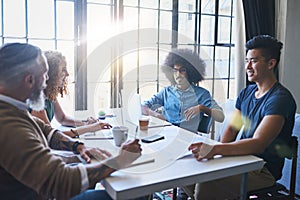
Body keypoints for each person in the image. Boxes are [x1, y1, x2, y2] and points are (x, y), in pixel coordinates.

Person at [0, 43, 142, 200]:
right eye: (45, 74)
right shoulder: (8, 125)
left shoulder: (12, 107)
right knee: (134, 193)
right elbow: (60, 182)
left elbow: (47, 131)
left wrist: (78, 146)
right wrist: (119, 161)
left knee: (85, 168)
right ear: (29, 80)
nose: (47, 81)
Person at [184, 35, 297, 199]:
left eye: (254, 61)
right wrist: (216, 156)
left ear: (271, 63)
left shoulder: (280, 99)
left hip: (262, 169)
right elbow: (231, 129)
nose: (248, 66)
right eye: (247, 60)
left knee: (206, 183)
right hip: (240, 159)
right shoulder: (247, 93)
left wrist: (215, 150)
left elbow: (259, 143)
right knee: (189, 173)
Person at [31, 50, 111, 138]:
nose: (68, 74)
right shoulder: (36, 101)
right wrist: (89, 128)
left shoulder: (49, 93)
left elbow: (62, 118)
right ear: (51, 74)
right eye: (63, 69)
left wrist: (85, 123)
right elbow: (52, 137)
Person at [142, 48, 224, 133]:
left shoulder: (202, 94)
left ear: (190, 71)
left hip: (189, 137)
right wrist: (156, 114)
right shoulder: (166, 92)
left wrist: (202, 108)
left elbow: (221, 117)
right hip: (166, 134)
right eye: (175, 71)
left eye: (182, 70)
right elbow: (143, 106)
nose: (178, 74)